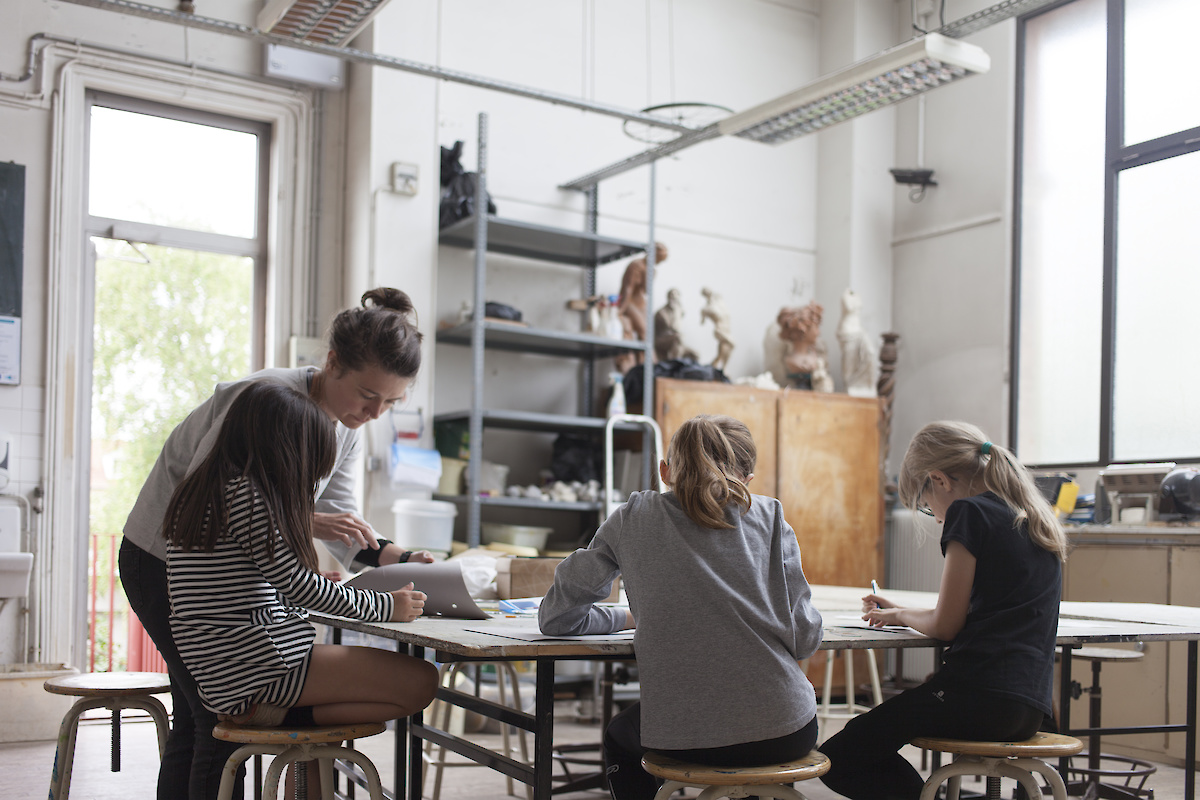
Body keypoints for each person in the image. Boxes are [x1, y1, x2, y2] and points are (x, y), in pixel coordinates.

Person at [119, 287, 433, 800]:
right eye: (367, 396)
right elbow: (213, 500)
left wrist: (390, 556)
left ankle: (289, 731)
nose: (374, 413)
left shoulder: (345, 425)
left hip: (245, 603)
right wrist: (312, 542)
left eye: (391, 403)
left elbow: (339, 519)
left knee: (208, 714)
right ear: (332, 364)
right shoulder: (263, 401)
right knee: (206, 720)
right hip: (158, 557)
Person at [539, 414, 823, 800]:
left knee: (621, 736)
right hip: (786, 728)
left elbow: (556, 617)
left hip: (684, 737)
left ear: (665, 471)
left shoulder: (632, 518)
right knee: (757, 731)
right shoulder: (772, 518)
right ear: (748, 480)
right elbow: (806, 639)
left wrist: (622, 617)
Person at [165, 381, 438, 734]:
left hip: (228, 669)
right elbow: (299, 587)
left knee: (395, 683)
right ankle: (279, 716)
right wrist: (388, 606)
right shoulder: (247, 495)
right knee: (422, 681)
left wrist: (301, 585)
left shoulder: (211, 488)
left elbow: (234, 586)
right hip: (257, 668)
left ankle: (286, 721)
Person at [819, 420, 1069, 800]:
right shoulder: (1031, 515)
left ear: (939, 479)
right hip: (1028, 707)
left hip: (976, 696)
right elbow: (985, 609)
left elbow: (947, 626)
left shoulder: (969, 512)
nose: (934, 516)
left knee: (839, 756)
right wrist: (903, 608)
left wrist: (901, 616)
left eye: (924, 504)